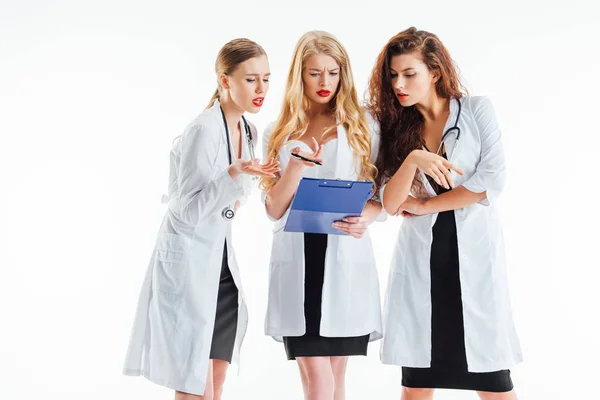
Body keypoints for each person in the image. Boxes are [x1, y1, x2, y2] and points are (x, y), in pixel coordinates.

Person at [367, 27, 522, 399]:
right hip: (425, 259)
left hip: (472, 255)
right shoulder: (395, 127)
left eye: (409, 74)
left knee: (493, 379)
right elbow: (389, 201)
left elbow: (491, 179)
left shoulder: (475, 110)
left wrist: (424, 205)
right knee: (418, 382)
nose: (399, 84)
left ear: (434, 72)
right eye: (392, 75)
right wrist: (414, 159)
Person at [122, 38, 279, 400]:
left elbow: (232, 202)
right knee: (195, 383)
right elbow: (186, 210)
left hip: (219, 263)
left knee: (216, 378)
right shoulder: (203, 131)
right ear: (225, 81)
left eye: (267, 79)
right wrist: (232, 174)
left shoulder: (250, 131)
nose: (261, 89)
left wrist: (244, 177)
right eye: (251, 79)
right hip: (189, 263)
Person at [259, 31, 385, 400]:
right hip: (298, 254)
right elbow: (272, 208)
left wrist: (369, 218)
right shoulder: (279, 131)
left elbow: (385, 192)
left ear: (343, 74)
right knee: (316, 376)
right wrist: (296, 168)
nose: (325, 82)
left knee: (332, 377)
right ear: (299, 75)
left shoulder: (365, 125)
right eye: (315, 73)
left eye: (333, 72)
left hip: (346, 256)